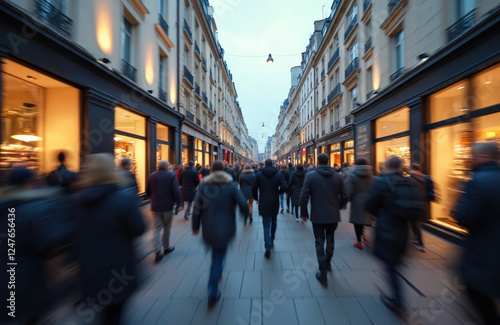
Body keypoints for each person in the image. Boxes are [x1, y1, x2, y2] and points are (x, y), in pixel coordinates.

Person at [72, 153, 145, 324]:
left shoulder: (76, 200)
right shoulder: (123, 197)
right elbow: (138, 228)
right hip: (118, 266)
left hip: (89, 267)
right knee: (114, 312)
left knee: (101, 310)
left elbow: (71, 233)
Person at [0, 168, 72, 325]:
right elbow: (49, 251)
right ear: (29, 183)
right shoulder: (32, 211)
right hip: (27, 285)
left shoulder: (6, 207)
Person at [366, 156, 425, 315]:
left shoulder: (381, 181)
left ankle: (397, 301)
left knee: (390, 266)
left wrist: (382, 213)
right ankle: (396, 297)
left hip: (386, 228)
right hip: (404, 230)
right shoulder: (411, 182)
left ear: (386, 166)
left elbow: (370, 205)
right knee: (395, 263)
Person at [451, 142, 500, 325]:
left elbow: (464, 217)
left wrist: (457, 207)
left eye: (472, 155)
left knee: (478, 296)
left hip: (484, 253)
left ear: (482, 156)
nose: (470, 158)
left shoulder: (477, 182)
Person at [192, 161, 248, 308]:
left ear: (211, 169)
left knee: (215, 253)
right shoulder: (230, 185)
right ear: (223, 170)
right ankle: (212, 292)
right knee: (218, 257)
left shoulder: (204, 185)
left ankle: (218, 272)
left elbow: (197, 207)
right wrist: (245, 214)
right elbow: (243, 203)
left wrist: (195, 225)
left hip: (209, 227)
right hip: (226, 227)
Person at [300, 153, 348, 286]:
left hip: (318, 215)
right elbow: (345, 195)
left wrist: (304, 213)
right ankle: (327, 262)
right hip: (333, 215)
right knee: (331, 238)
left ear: (318, 161)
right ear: (328, 161)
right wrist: (337, 206)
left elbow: (304, 197)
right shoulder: (338, 177)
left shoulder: (310, 176)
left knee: (319, 242)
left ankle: (323, 272)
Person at [146, 160, 183, 263]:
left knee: (156, 228)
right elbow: (176, 190)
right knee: (166, 227)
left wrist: (154, 198)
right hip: (167, 206)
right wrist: (179, 203)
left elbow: (148, 191)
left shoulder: (152, 175)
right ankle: (166, 247)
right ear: (167, 166)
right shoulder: (171, 175)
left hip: (155, 206)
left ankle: (157, 251)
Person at [252, 159, 287, 258]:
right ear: (272, 164)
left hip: (263, 201)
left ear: (264, 164)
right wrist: (278, 193)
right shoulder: (278, 175)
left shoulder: (259, 174)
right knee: (274, 221)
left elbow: (254, 188)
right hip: (274, 201)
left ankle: (267, 245)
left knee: (266, 224)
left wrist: (256, 198)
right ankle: (272, 240)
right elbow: (285, 186)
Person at [346, 158, 374, 250]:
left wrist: (350, 200)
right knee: (363, 220)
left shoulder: (352, 175)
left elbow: (350, 190)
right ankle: (363, 235)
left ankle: (359, 241)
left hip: (357, 201)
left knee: (357, 222)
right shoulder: (371, 176)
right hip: (369, 201)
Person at [408, 163, 436, 252]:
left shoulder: (411, 178)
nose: (408, 170)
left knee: (414, 224)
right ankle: (416, 239)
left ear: (413, 169)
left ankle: (420, 243)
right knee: (417, 223)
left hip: (414, 204)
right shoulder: (426, 178)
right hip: (423, 204)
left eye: (409, 168)